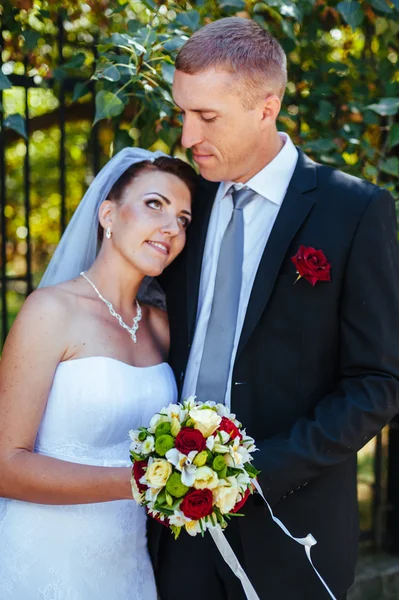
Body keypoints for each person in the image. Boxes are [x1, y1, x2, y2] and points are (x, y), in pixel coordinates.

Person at [147, 17, 399, 600]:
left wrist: (256, 476)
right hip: (171, 525)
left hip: (293, 525)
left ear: (267, 107)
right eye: (183, 112)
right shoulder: (182, 201)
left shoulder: (353, 210)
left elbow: (377, 382)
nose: (187, 137)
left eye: (207, 117)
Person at [0, 147, 198, 599]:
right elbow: (4, 466)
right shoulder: (50, 312)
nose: (171, 227)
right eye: (155, 205)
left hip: (128, 565)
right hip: (43, 561)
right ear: (108, 213)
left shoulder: (162, 327)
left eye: (183, 219)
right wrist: (144, 481)